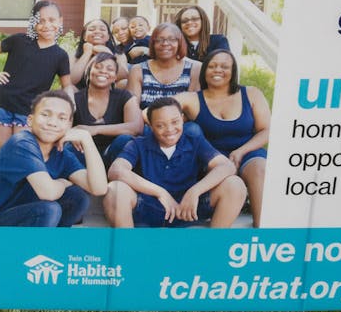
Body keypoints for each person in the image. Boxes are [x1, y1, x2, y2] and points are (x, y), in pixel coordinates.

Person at [104, 97, 246, 228]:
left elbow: (227, 166)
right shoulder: (138, 144)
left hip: (187, 209)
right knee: (116, 190)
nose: (170, 130)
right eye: (160, 125)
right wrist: (161, 193)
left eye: (175, 122)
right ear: (151, 127)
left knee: (235, 184)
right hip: (148, 207)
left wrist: (194, 191)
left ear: (183, 119)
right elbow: (116, 171)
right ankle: (126, 249)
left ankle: (213, 246)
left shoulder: (194, 141)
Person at [176, 49, 271, 227]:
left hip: (248, 151)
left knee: (260, 168)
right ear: (204, 71)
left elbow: (266, 130)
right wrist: (176, 121)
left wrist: (241, 151)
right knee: (230, 182)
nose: (218, 70)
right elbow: (152, 112)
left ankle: (261, 229)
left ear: (233, 71)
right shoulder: (193, 99)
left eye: (224, 66)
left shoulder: (251, 94)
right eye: (212, 66)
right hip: (212, 158)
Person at [0, 91, 107, 227]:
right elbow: (48, 193)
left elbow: (99, 188)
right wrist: (62, 183)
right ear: (30, 120)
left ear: (69, 125)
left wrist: (87, 139)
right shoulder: (21, 143)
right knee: (49, 210)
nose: (52, 123)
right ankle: (37, 247)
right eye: (45, 115)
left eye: (62, 118)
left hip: (26, 214)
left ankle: (51, 244)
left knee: (79, 197)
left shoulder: (61, 155)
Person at [0, 1, 72, 149]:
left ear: (60, 21)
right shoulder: (18, 40)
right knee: (4, 150)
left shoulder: (60, 56)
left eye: (51, 20)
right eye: (40, 21)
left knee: (21, 150)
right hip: (2, 104)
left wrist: (70, 103)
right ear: (33, 23)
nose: (46, 25)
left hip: (28, 111)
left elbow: (67, 85)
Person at [72, 52, 142, 166]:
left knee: (125, 140)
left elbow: (136, 127)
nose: (103, 71)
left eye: (109, 69)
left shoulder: (124, 96)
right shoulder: (75, 99)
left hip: (113, 154)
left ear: (115, 77)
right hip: (82, 155)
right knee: (69, 145)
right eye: (98, 67)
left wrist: (95, 129)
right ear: (88, 71)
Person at [128, 22, 201, 110]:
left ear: (179, 43)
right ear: (153, 44)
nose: (165, 43)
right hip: (145, 120)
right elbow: (132, 109)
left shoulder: (195, 68)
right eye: (159, 40)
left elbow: (192, 109)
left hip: (181, 122)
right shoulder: (138, 70)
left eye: (172, 39)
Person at [70, 18, 126, 86]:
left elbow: (124, 76)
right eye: (91, 29)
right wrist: (87, 53)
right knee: (68, 88)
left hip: (108, 93)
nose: (97, 31)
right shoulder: (75, 55)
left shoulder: (119, 54)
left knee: (124, 82)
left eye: (102, 29)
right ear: (84, 36)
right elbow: (70, 80)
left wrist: (108, 54)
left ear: (108, 36)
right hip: (81, 93)